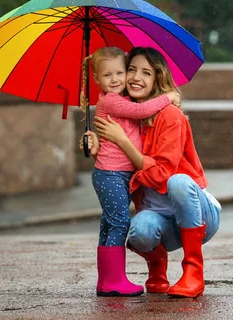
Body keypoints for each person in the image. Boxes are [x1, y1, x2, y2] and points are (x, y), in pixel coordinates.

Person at [92, 46, 221, 298]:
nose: (135, 78)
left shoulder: (169, 115)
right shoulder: (128, 114)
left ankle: (193, 271)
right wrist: (97, 146)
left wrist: (122, 142)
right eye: (131, 70)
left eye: (146, 73)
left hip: (198, 214)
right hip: (162, 218)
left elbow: (161, 174)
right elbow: (118, 160)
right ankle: (157, 267)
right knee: (138, 232)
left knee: (178, 183)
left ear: (158, 78)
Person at [79, 46, 179, 297]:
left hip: (116, 174)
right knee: (120, 223)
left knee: (108, 224)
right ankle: (114, 279)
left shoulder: (120, 99)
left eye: (120, 73)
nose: (115, 80)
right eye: (107, 75)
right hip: (111, 174)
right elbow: (141, 111)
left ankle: (105, 280)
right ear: (96, 79)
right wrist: (169, 98)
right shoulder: (112, 101)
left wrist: (96, 142)